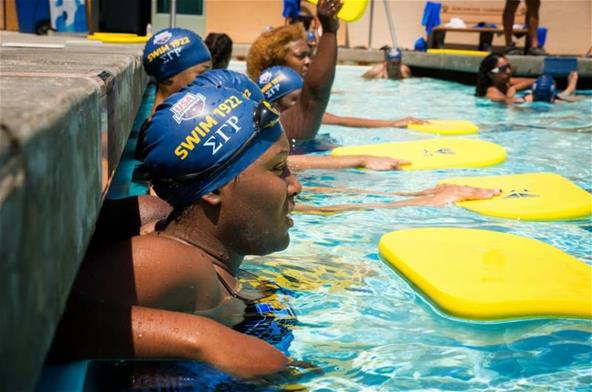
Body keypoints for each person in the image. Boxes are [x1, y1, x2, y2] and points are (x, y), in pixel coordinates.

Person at [246, 1, 426, 142]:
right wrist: (330, 30)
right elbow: (315, 95)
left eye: (310, 55)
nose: (309, 61)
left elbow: (339, 120)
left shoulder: (270, 110)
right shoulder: (283, 121)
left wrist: (392, 124)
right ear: (277, 63)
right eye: (301, 56)